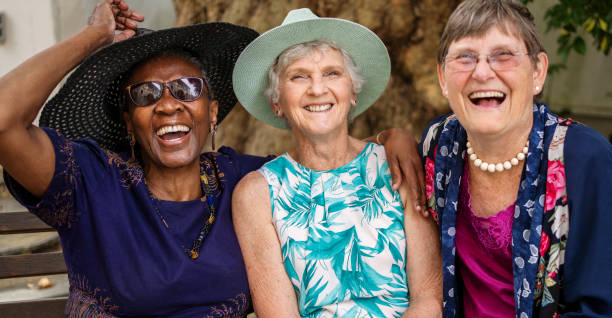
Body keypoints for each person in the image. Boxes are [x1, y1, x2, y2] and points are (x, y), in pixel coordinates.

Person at [0, 1, 424, 316]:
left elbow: (325, 152)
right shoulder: (90, 182)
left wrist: (391, 138)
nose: (168, 105)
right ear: (129, 123)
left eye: (187, 89)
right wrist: (92, 38)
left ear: (213, 112)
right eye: (147, 95)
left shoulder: (240, 178)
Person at [231, 9, 442, 317]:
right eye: (299, 76)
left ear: (352, 91)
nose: (317, 89)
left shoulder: (398, 165)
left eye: (332, 73)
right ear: (277, 102)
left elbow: (429, 301)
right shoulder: (258, 194)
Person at [420, 0, 612, 317]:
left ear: (537, 72)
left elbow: (600, 307)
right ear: (442, 78)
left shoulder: (585, 158)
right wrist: (389, 138)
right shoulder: (438, 145)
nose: (482, 72)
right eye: (465, 57)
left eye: (503, 55)